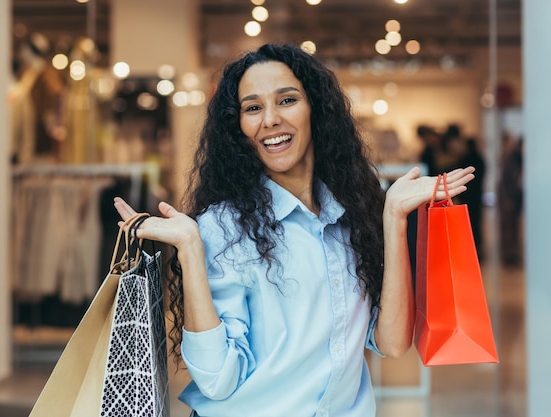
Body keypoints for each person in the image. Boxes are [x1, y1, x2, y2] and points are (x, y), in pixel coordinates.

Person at [114, 44, 474, 417]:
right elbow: (217, 380)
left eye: (286, 100)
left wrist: (395, 217)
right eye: (253, 108)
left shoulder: (354, 214)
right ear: (238, 127)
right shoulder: (222, 228)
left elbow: (393, 343)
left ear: (315, 109)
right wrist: (190, 246)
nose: (270, 119)